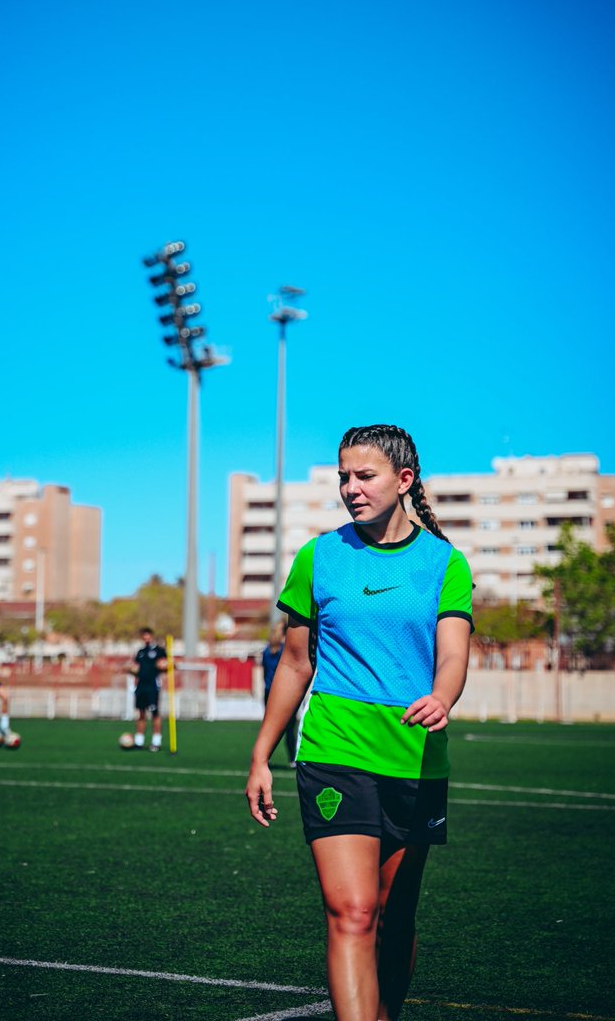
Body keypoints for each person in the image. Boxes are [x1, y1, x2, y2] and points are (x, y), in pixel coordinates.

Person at [245, 424, 473, 1021]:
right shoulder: (317, 558)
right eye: (343, 476)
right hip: (334, 749)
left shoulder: (445, 563)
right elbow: (296, 662)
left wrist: (443, 696)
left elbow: (452, 653)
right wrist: (261, 755)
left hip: (416, 757)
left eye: (364, 476)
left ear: (404, 481)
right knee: (353, 912)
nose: (350, 488)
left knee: (396, 919)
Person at [260, 620, 298, 767]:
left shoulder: (265, 651)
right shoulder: (284, 651)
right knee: (289, 728)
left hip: (268, 691)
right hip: (283, 693)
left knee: (269, 727)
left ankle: (264, 757)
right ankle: (292, 758)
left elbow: (264, 672)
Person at [126, 627, 167, 751]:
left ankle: (156, 742)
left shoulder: (159, 650)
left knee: (155, 713)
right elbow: (137, 668)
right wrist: (130, 670)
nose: (146, 638)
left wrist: (165, 665)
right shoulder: (140, 652)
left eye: (147, 635)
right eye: (143, 636)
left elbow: (166, 665)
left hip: (152, 686)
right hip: (141, 686)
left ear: (151, 636)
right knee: (141, 713)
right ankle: (139, 742)